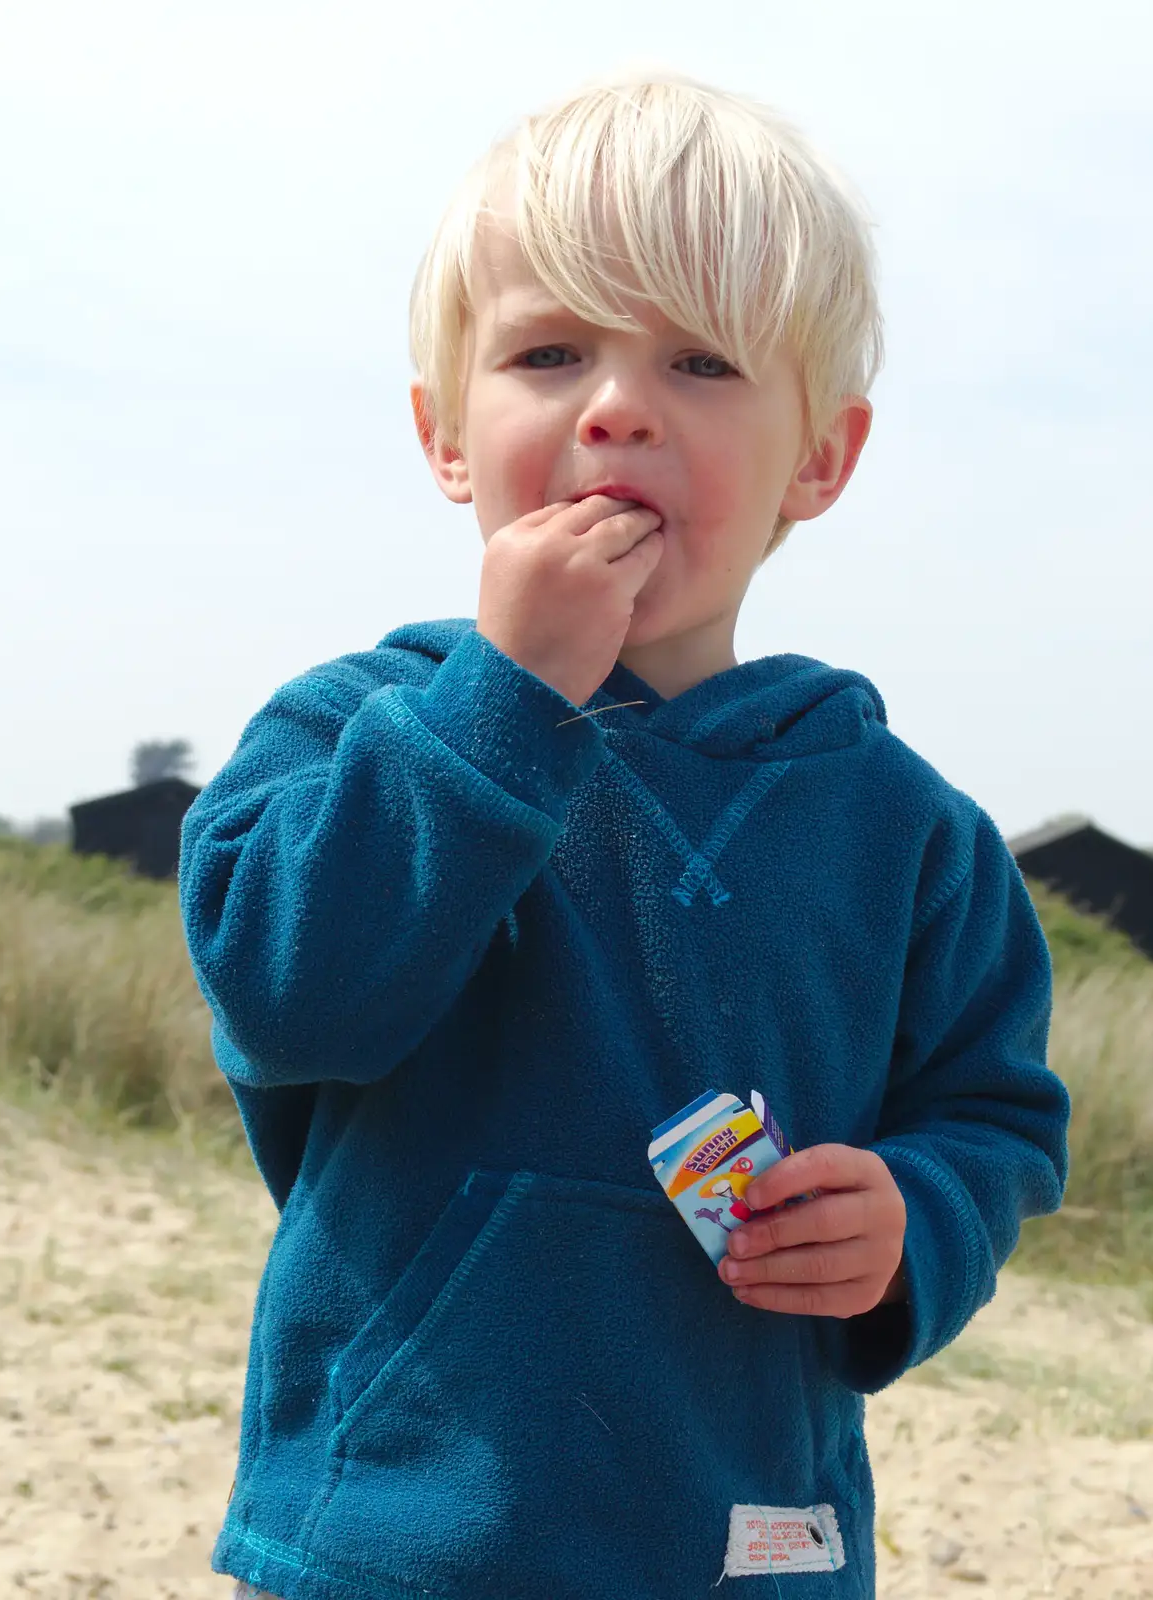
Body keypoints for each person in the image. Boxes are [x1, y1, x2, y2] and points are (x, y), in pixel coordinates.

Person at [178, 71, 1071, 1600]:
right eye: (547, 352)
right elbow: (286, 1000)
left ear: (819, 460)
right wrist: (503, 703)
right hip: (394, 1531)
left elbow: (997, 1117)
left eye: (701, 360)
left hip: (743, 1539)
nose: (615, 405)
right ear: (445, 434)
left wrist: (910, 1221)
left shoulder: (906, 829)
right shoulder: (352, 734)